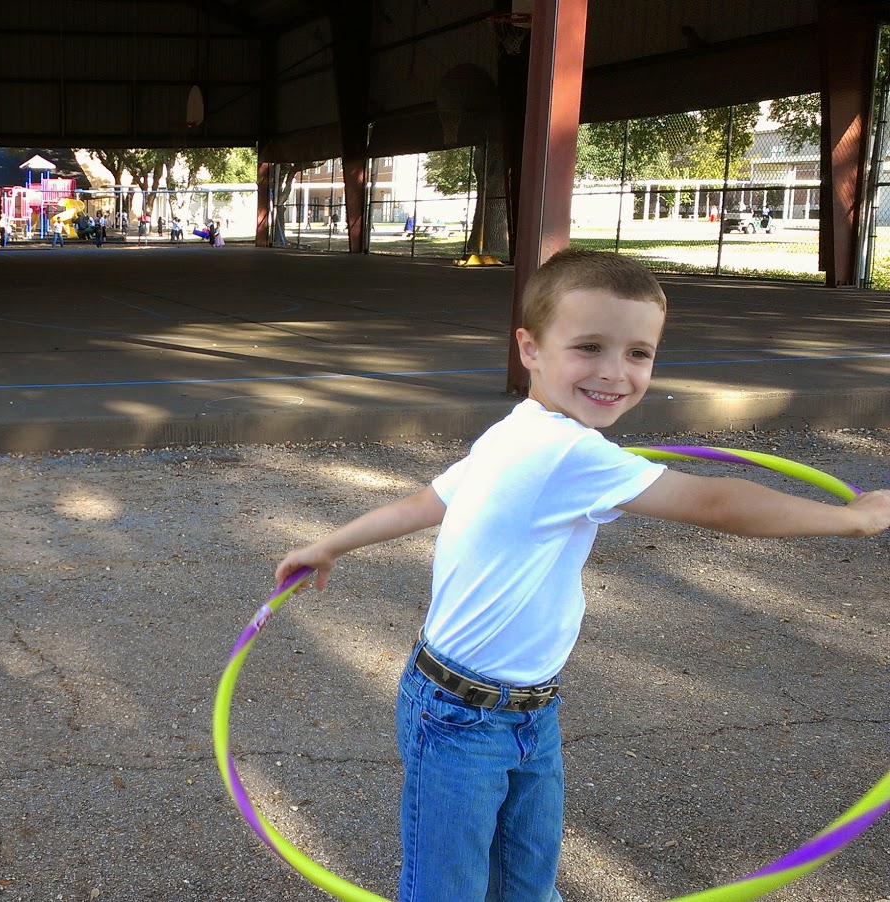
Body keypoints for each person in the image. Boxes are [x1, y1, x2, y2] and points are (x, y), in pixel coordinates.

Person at [273, 248, 890, 902]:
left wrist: (331, 544)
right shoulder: (564, 451)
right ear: (530, 349)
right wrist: (851, 519)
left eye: (638, 353)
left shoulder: (519, 429)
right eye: (589, 347)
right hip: (460, 719)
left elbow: (427, 502)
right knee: (447, 889)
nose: (614, 372)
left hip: (525, 709)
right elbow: (714, 502)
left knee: (528, 882)